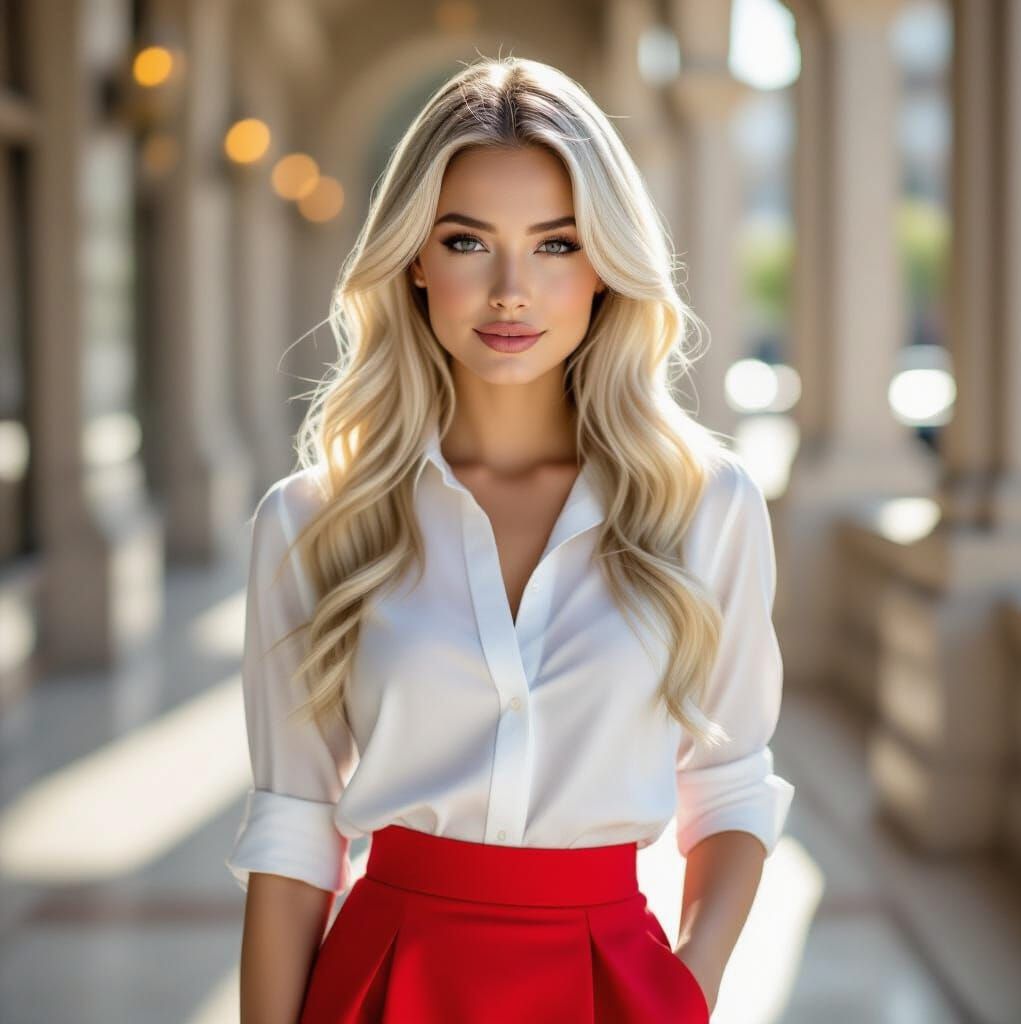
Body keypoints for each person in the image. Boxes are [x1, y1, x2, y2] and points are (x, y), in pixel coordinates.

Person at [225, 55, 794, 1023]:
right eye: (466, 241)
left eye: (555, 244)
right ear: (413, 256)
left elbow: (732, 784)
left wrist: (682, 988)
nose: (510, 291)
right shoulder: (311, 521)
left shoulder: (706, 506)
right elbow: (294, 828)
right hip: (385, 981)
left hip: (613, 985)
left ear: (606, 261)